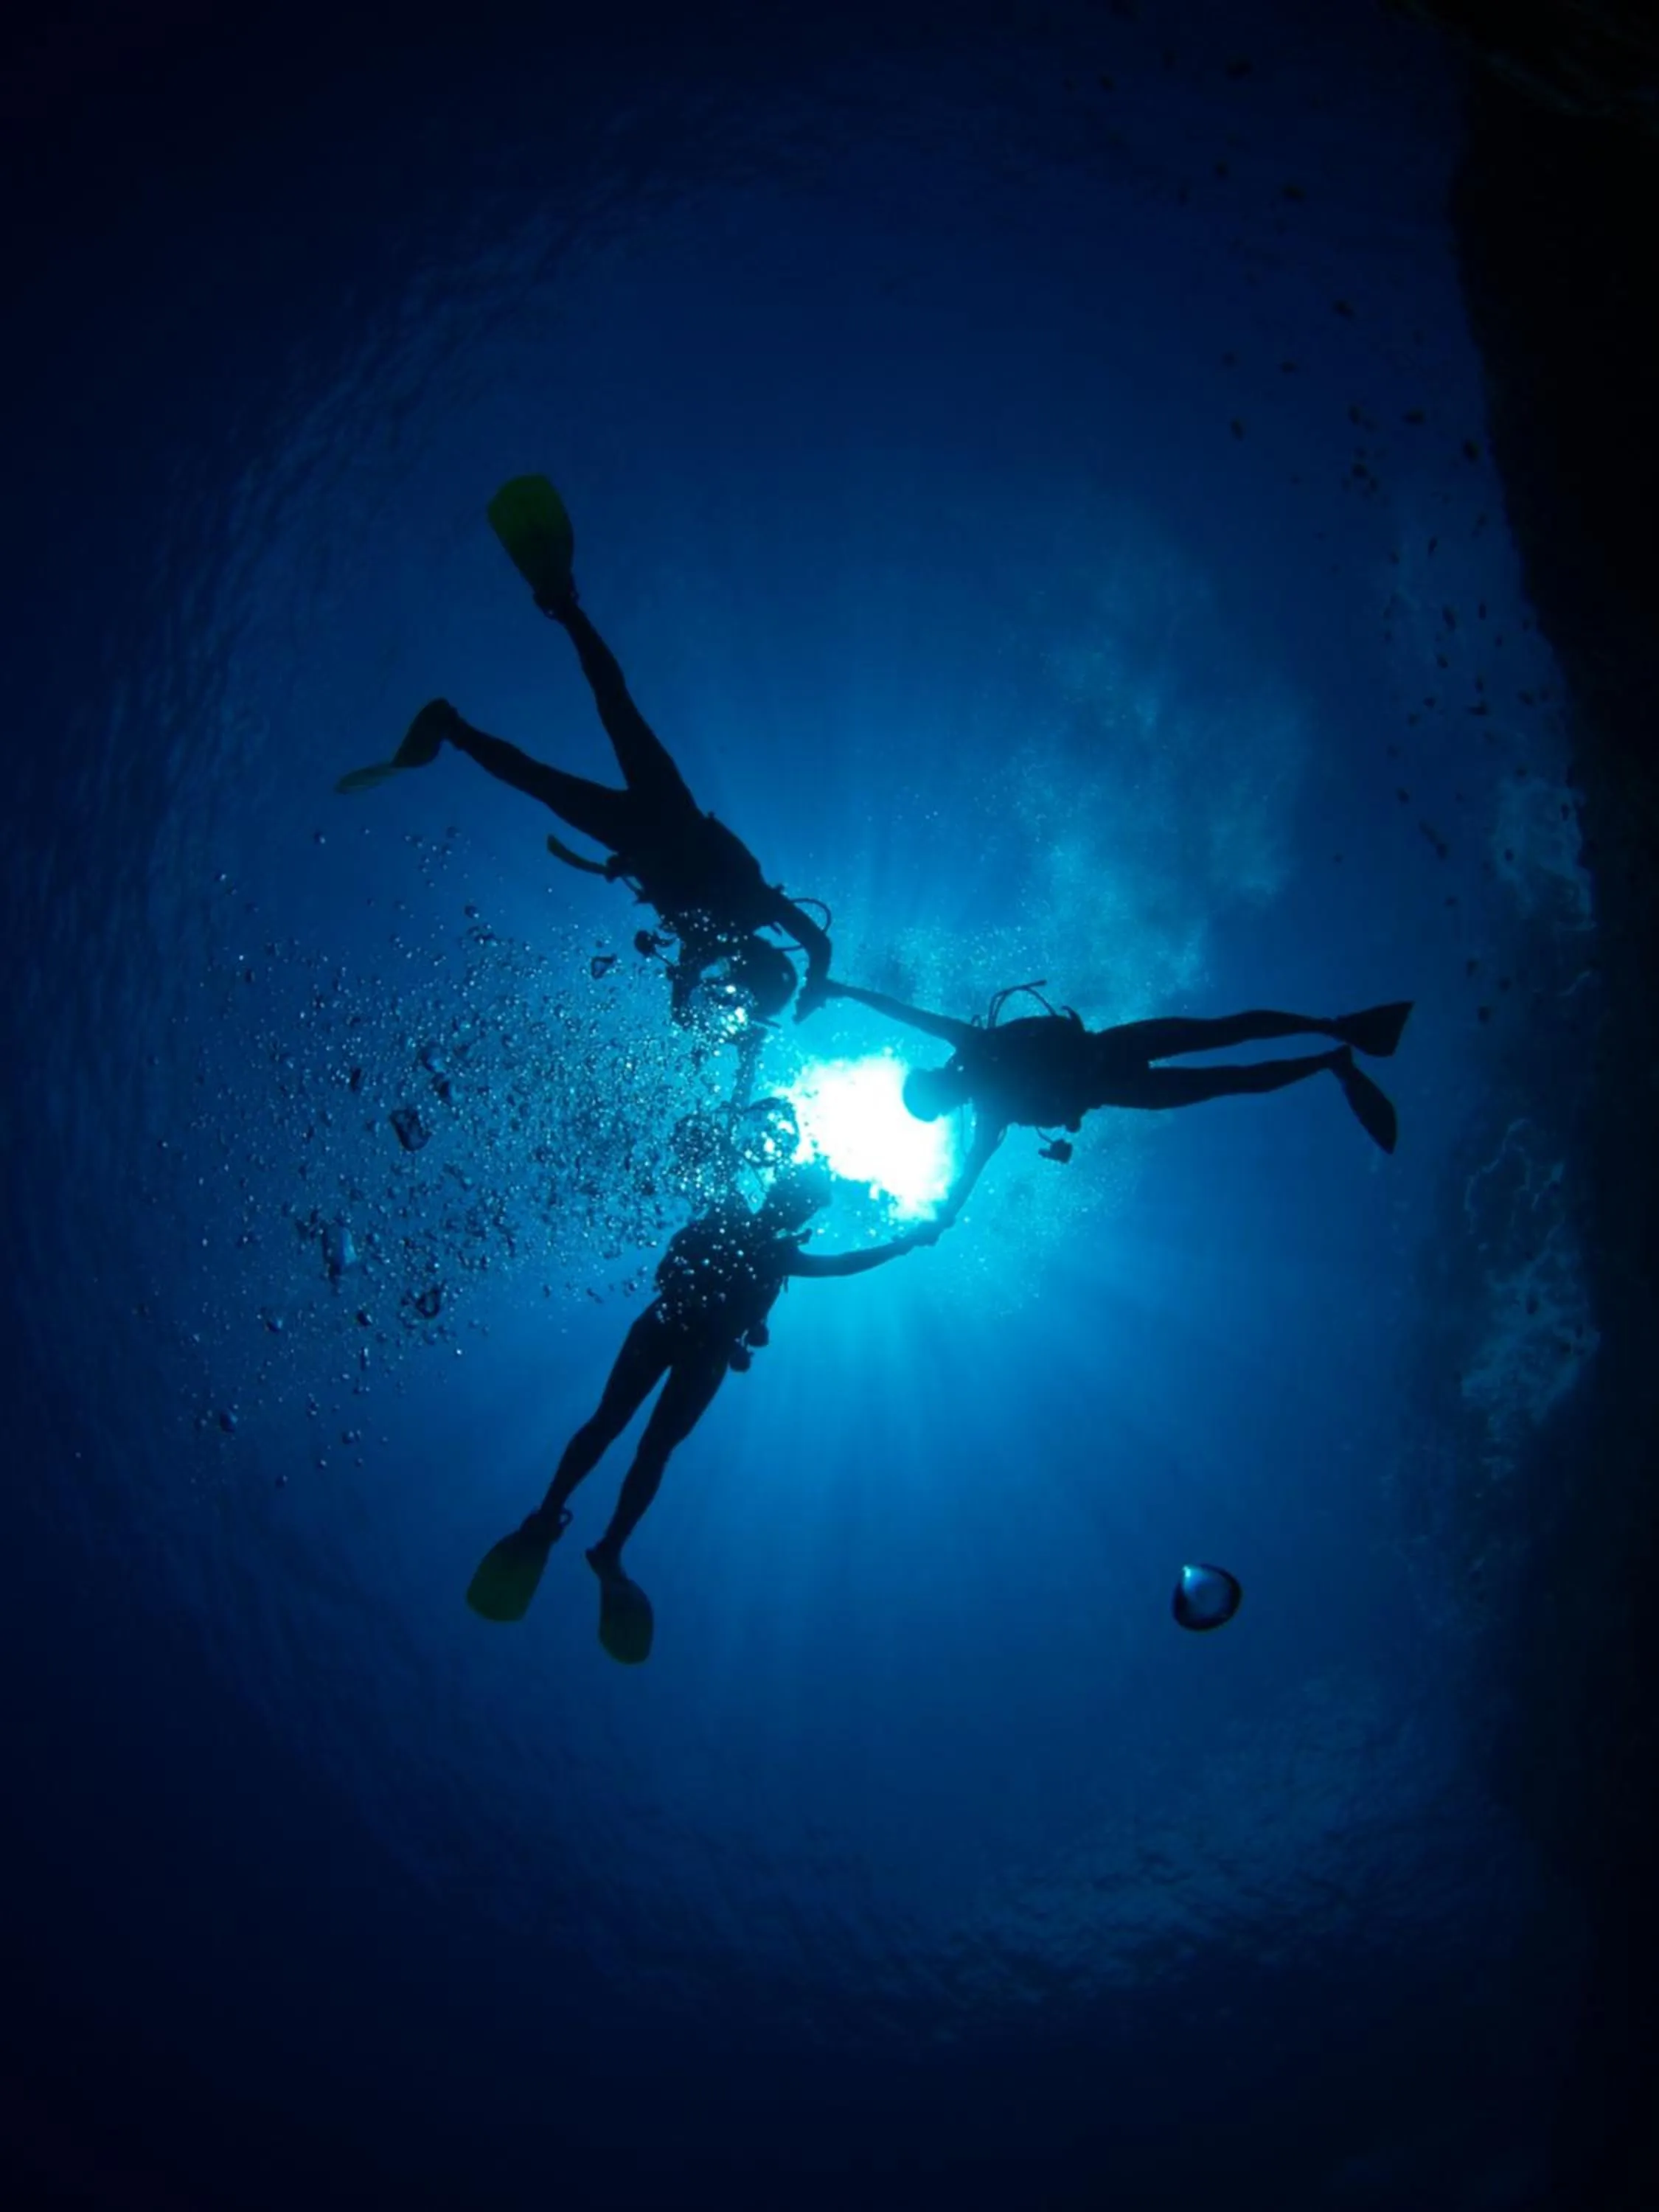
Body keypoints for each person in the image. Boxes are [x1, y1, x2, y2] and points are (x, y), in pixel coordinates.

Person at [338, 476, 832, 1027]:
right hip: (663, 816)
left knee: (594, 727)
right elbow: (810, 948)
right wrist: (812, 984)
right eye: (744, 991)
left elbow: (749, 976)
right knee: (569, 752)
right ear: (758, 971)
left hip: (651, 823)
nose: (731, 989)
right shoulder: (747, 914)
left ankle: (535, 637)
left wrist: (801, 984)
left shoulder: (716, 939)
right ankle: (467, 711)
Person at [465, 1162, 926, 1660]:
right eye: (796, 1197)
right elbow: (839, 1263)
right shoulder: (750, 1228)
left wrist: (903, 1245)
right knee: (621, 1433)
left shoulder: (763, 1240)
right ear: (779, 1192)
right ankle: (576, 1529)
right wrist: (903, 1243)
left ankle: (588, 1536)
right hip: (681, 1336)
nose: (794, 1206)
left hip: (686, 1342)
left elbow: (841, 1264)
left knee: (639, 1442)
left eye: (803, 1202)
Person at [828, 978, 1413, 1230]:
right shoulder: (991, 1113)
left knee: (1223, 1037)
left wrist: (844, 990)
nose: (944, 1097)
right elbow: (968, 1175)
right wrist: (946, 1216)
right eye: (936, 1105)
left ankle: (1336, 1031)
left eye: (934, 1095)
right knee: (1226, 1074)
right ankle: (1331, 1057)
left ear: (934, 1078)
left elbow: (902, 1010)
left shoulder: (973, 1049)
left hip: (1113, 1054)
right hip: (1114, 1085)